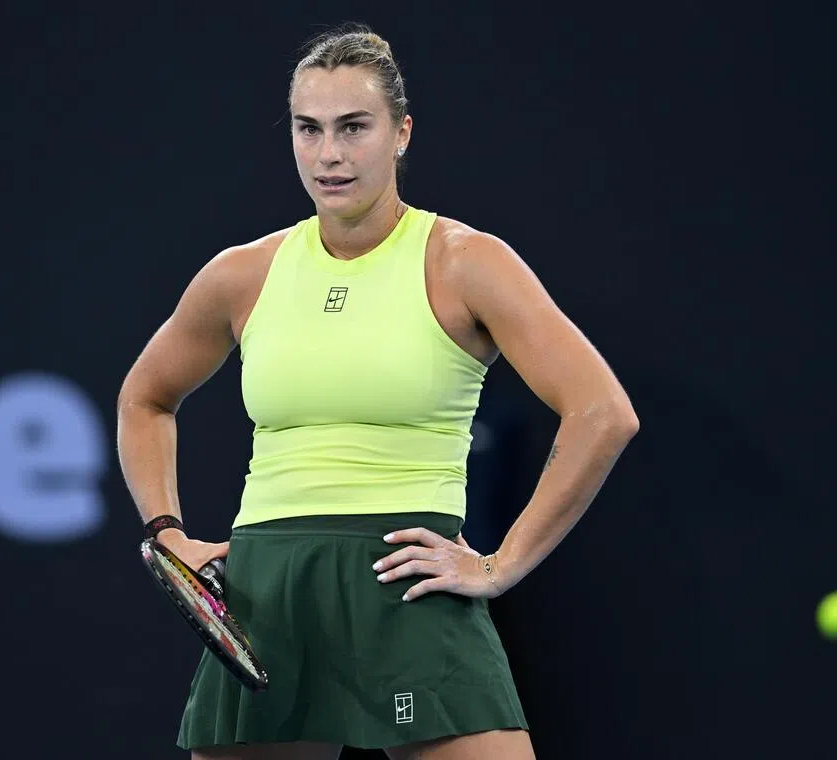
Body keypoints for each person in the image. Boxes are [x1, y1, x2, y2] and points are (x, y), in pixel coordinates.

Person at [117, 22, 639, 760]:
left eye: (354, 127)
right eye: (308, 128)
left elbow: (603, 413)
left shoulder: (467, 262)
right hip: (269, 594)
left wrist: (501, 564)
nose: (328, 154)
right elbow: (144, 399)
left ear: (402, 133)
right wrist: (167, 534)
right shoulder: (242, 274)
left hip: (406, 585)